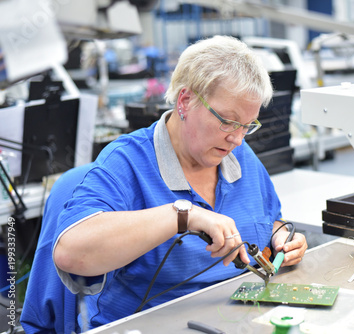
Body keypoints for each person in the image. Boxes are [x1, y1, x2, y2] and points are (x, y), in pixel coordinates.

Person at [52, 35, 308, 330]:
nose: (237, 139)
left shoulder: (239, 156)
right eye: (227, 121)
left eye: (247, 126)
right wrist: (183, 215)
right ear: (185, 101)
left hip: (235, 318)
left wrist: (281, 239)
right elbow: (71, 253)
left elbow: (268, 219)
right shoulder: (127, 162)